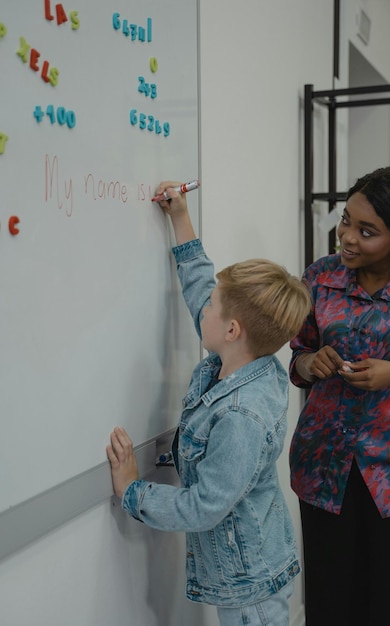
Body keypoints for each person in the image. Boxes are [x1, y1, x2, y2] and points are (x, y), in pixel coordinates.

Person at [106, 181, 311, 626]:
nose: (205, 309)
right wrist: (180, 217)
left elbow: (204, 507)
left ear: (233, 329)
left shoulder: (241, 416)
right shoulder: (247, 358)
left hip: (249, 584)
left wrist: (132, 492)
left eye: (214, 306)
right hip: (253, 565)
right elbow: (202, 286)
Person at [289, 164, 390, 626]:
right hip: (325, 469)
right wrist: (310, 363)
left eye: (367, 231)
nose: (347, 237)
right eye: (346, 220)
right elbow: (298, 354)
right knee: (330, 605)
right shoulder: (319, 277)